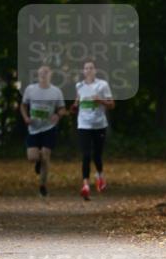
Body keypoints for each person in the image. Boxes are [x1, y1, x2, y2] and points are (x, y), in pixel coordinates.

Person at [20, 64, 66, 197]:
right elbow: (23, 106)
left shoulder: (56, 91)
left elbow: (62, 109)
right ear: (38, 75)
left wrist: (57, 115)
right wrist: (26, 117)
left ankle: (42, 186)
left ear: (50, 75)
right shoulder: (30, 89)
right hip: (33, 128)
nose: (44, 75)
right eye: (41, 73)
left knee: (46, 155)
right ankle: (38, 161)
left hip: (48, 128)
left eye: (46, 72)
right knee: (32, 157)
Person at [71, 60, 114, 200]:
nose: (88, 70)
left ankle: (100, 175)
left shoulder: (102, 85)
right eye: (86, 68)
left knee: (97, 155)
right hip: (83, 124)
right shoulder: (79, 86)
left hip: (99, 125)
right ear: (83, 71)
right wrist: (74, 106)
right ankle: (85, 186)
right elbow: (77, 101)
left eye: (91, 68)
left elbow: (112, 104)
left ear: (95, 71)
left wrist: (100, 101)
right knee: (86, 155)